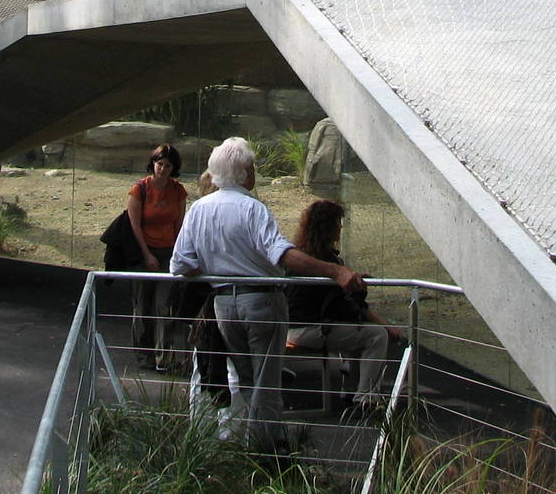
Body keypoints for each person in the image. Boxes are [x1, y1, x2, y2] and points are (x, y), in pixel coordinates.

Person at [171, 137, 366, 451]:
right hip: (261, 299)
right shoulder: (252, 208)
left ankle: (247, 445)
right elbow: (283, 255)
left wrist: (218, 268)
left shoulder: (199, 209)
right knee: (265, 380)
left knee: (247, 379)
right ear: (246, 172)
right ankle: (267, 450)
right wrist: (336, 271)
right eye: (252, 167)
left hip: (223, 302)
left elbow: (181, 263)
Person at [286, 200, 404, 411]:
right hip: (311, 330)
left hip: (290, 328)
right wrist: (384, 323)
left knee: (356, 333)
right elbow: (351, 305)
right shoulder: (328, 261)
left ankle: (350, 391)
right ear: (328, 227)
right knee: (376, 336)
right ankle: (366, 399)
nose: (341, 227)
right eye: (338, 222)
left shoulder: (300, 256)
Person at [127, 143, 188, 370]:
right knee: (142, 305)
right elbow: (134, 225)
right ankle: (144, 356)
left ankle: (165, 356)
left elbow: (181, 224)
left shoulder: (178, 191)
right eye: (159, 164)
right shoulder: (139, 189)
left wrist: (178, 253)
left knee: (165, 305)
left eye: (168, 166)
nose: (162, 169)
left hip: (168, 253)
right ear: (153, 164)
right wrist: (147, 254)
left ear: (174, 168)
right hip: (145, 252)